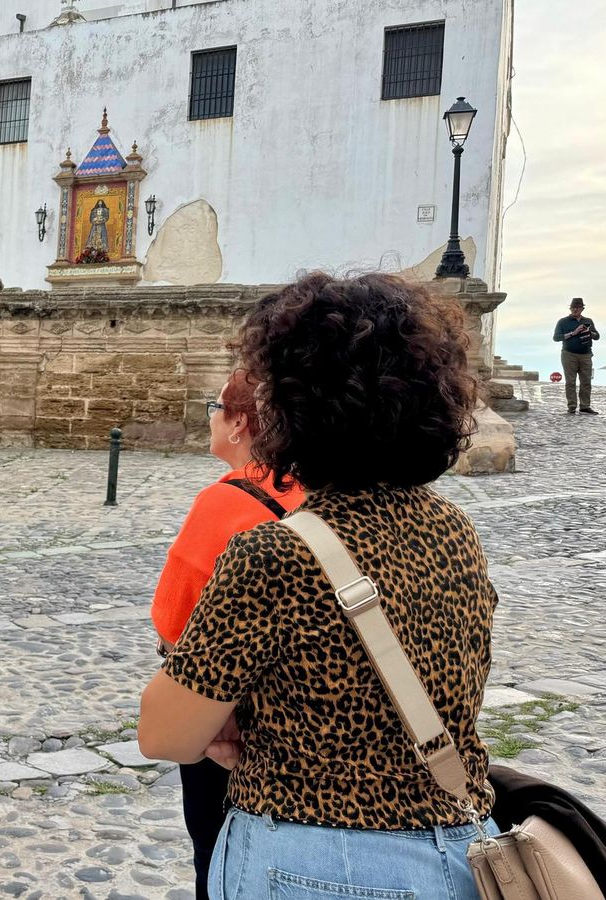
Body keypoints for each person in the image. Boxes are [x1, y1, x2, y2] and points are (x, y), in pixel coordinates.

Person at [138, 273, 499, 898]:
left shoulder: (277, 556)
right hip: (452, 852)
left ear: (294, 409)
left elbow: (164, 733)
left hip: (312, 861)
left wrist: (222, 718)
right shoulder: (453, 530)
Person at [148, 369, 303, 900]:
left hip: (234, 729)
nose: (210, 415)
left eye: (216, 406)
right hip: (314, 728)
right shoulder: (320, 491)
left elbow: (173, 622)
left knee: (218, 859)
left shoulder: (224, 503)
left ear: (239, 423)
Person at [554, 297, 600, 414]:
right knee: (571, 382)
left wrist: (590, 332)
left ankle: (585, 406)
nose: (575, 310)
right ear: (570, 308)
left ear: (582, 309)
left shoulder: (588, 321)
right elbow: (556, 338)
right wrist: (573, 333)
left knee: (586, 381)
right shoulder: (563, 321)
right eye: (573, 308)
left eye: (577, 308)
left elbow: (597, 336)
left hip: (586, 355)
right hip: (569, 354)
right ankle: (572, 406)